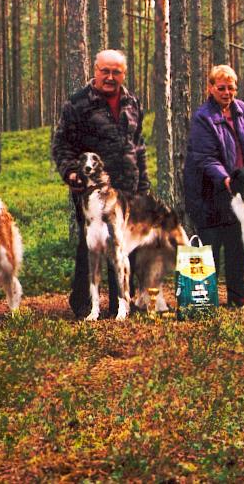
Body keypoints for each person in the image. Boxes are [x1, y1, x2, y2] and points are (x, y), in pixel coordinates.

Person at [52, 49, 150, 318]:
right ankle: (84, 304)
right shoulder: (78, 104)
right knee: (90, 246)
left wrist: (143, 185)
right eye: (105, 71)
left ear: (123, 74)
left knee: (124, 246)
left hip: (127, 189)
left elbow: (139, 146)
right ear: (95, 71)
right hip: (92, 190)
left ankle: (122, 304)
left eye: (116, 72)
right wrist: (71, 173)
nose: (110, 77)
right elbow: (62, 144)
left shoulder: (132, 102)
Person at [183, 65, 244, 307]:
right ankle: (205, 297)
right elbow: (205, 157)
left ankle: (238, 294)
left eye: (231, 88)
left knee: (238, 243)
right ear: (210, 88)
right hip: (209, 193)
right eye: (221, 88)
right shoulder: (203, 117)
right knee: (211, 244)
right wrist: (226, 179)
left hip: (240, 193)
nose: (226, 92)